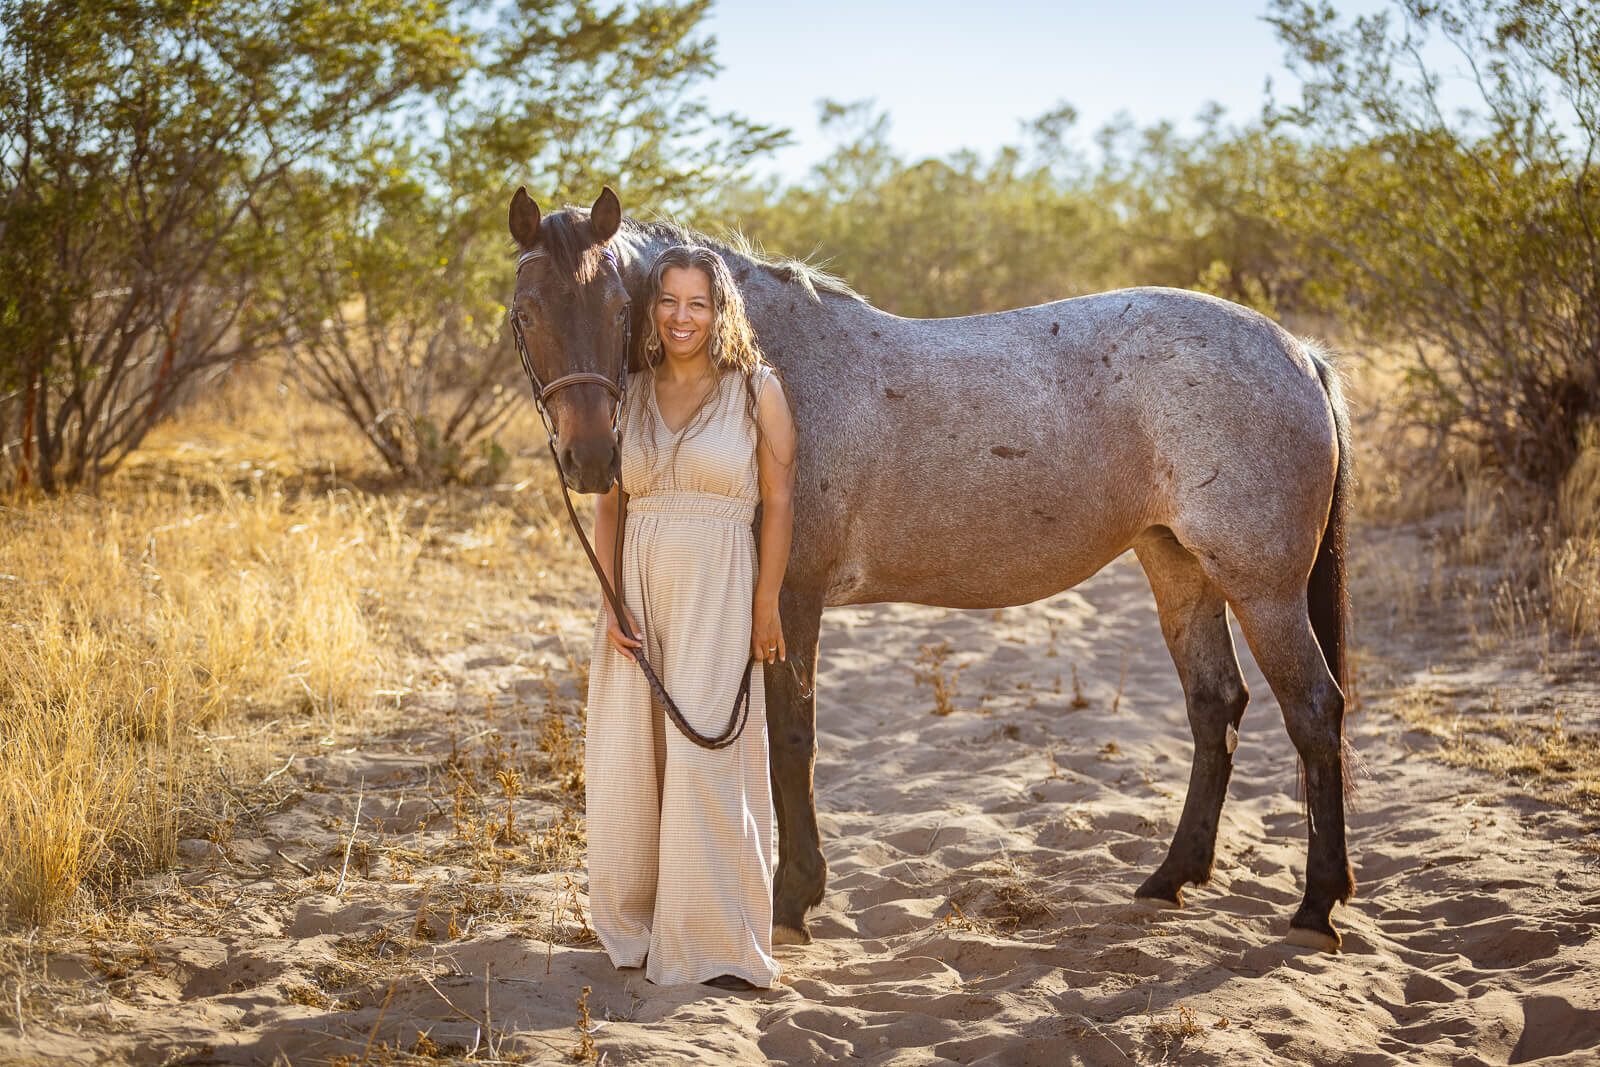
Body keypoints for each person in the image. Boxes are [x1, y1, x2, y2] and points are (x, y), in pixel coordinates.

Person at [584, 244, 797, 991]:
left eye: (697, 302)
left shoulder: (756, 391)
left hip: (719, 588)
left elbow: (779, 507)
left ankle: (712, 933)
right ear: (653, 310)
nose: (682, 316)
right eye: (669, 301)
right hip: (637, 593)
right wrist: (610, 596)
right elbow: (612, 503)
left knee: (708, 757)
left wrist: (766, 602)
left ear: (721, 309)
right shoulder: (629, 393)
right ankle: (638, 921)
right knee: (633, 762)